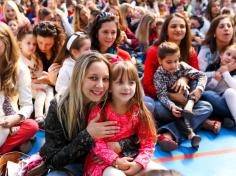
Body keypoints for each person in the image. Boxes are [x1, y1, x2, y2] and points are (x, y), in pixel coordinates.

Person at [40, 51, 120, 175]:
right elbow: (53, 160)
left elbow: (139, 137)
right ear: (79, 78)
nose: (100, 85)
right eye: (93, 78)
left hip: (103, 163)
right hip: (71, 165)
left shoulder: (110, 103)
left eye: (105, 79)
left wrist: (119, 145)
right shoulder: (58, 107)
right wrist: (88, 135)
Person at [143, 13, 213, 152]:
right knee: (157, 108)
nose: (178, 29)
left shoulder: (190, 51)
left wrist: (184, 78)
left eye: (182, 26)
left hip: (186, 101)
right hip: (163, 101)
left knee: (207, 107)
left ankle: (168, 133)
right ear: (166, 29)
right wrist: (172, 98)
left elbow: (197, 75)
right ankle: (196, 126)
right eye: (174, 26)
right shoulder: (155, 52)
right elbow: (148, 86)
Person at [84, 61, 163, 176]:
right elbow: (95, 142)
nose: (126, 87)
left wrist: (139, 164)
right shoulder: (99, 111)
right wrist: (115, 161)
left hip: (132, 156)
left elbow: (148, 141)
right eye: (120, 82)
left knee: (160, 173)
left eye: (131, 83)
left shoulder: (139, 110)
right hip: (104, 161)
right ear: (110, 87)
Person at [154, 42, 208, 149]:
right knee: (160, 108)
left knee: (207, 107)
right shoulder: (158, 75)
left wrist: (198, 90)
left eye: (176, 61)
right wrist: (172, 106)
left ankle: (167, 133)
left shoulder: (182, 66)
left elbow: (202, 75)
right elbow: (162, 95)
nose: (173, 65)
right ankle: (190, 134)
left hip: (188, 102)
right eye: (169, 62)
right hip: (172, 107)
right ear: (160, 61)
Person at [0, 22, 38, 154]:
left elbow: (27, 105)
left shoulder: (20, 69)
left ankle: (4, 150)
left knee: (32, 126)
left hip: (9, 119)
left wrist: (15, 119)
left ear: (6, 41)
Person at [198, 15, 235, 127]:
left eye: (229, 26)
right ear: (214, 32)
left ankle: (226, 117)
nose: (226, 28)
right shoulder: (206, 51)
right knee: (206, 94)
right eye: (222, 26)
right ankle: (227, 116)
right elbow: (200, 77)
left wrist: (227, 71)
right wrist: (218, 73)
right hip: (216, 95)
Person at [17, 26, 54, 126]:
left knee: (49, 89)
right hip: (25, 86)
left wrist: (39, 80)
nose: (32, 47)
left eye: (34, 44)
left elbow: (39, 71)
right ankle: (39, 117)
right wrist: (36, 82)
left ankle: (48, 113)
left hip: (36, 82)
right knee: (41, 93)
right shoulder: (18, 59)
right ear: (20, 45)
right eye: (28, 43)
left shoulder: (35, 57)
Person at [205, 43, 236, 126]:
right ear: (222, 54)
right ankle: (227, 118)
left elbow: (235, 88)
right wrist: (215, 81)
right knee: (207, 94)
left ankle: (232, 119)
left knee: (230, 91)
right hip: (219, 103)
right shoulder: (212, 67)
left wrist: (226, 73)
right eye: (228, 54)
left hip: (233, 103)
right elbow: (205, 89)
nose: (229, 58)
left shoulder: (234, 74)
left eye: (234, 58)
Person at [33, 21, 66, 86]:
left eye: (48, 44)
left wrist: (49, 80)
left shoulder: (62, 54)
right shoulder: (32, 49)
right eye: (40, 42)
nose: (43, 47)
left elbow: (64, 83)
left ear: (55, 41)